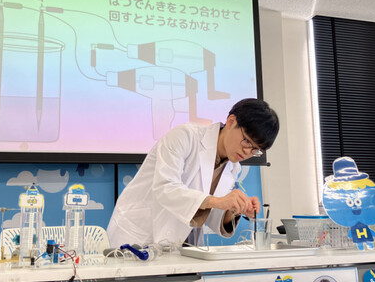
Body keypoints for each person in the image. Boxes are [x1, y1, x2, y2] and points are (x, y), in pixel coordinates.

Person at [107, 98, 279, 247]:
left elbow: (209, 214)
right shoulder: (185, 136)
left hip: (179, 246)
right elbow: (165, 188)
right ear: (231, 121)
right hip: (139, 235)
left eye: (256, 149)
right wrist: (219, 201)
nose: (248, 151)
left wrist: (235, 209)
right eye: (247, 141)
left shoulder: (233, 167)